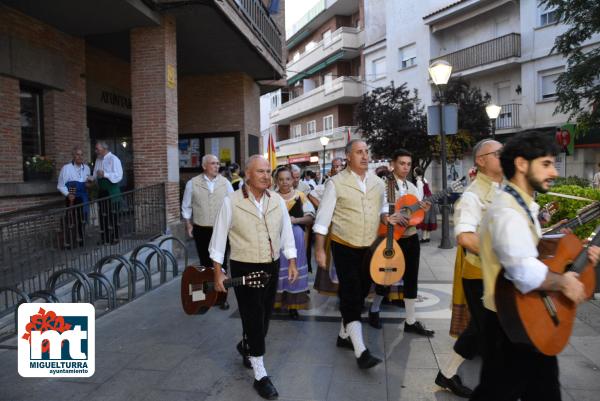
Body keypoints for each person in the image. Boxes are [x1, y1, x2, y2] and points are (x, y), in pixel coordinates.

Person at [470, 132, 600, 401]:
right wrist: (564, 282)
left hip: (526, 317)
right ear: (521, 164)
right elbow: (522, 269)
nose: (554, 172)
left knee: (540, 391)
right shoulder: (507, 210)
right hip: (512, 323)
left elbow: (534, 254)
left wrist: (581, 257)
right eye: (546, 164)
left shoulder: (524, 205)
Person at [209, 155, 298, 400]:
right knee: (253, 316)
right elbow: (218, 238)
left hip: (271, 265)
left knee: (265, 316)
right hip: (244, 267)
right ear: (247, 174)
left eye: (268, 171)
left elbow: (286, 232)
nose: (266, 176)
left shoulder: (277, 201)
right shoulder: (232, 201)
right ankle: (260, 374)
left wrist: (291, 260)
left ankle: (246, 346)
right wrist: (218, 270)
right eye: (260, 171)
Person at [435, 139, 503, 398]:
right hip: (478, 272)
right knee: (482, 327)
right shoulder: (472, 196)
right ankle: (448, 373)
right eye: (497, 154)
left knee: (490, 327)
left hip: (500, 272)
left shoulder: (506, 190)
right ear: (481, 161)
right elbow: (466, 237)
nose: (503, 156)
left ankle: (449, 373)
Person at [314, 139, 385, 369]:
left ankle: (344, 336)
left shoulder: (377, 182)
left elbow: (382, 209)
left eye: (366, 151)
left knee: (362, 291)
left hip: (369, 246)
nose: (365, 156)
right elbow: (323, 219)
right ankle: (361, 351)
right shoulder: (336, 182)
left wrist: (389, 218)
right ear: (348, 156)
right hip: (343, 245)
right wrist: (319, 249)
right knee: (352, 294)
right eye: (359, 152)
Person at [368, 149, 434, 337]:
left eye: (408, 164)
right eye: (402, 163)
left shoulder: (412, 187)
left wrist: (424, 209)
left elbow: (416, 215)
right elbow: (379, 211)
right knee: (386, 276)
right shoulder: (384, 185)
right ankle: (374, 309)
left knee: (412, 277)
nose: (405, 167)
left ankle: (411, 321)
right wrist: (388, 217)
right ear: (393, 164)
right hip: (391, 237)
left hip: (411, 237)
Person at [181, 154, 234, 309]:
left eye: (218, 163)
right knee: (205, 264)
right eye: (213, 163)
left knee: (222, 264)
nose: (217, 166)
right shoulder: (193, 183)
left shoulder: (225, 183)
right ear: (204, 166)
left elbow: (232, 204)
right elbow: (186, 206)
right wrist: (188, 225)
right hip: (201, 229)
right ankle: (206, 297)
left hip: (222, 229)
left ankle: (222, 298)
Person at [274, 167, 314, 319]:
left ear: (293, 180)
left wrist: (295, 220)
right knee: (278, 270)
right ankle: (277, 301)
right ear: (277, 181)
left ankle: (293, 305)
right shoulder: (272, 197)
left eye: (288, 179)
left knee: (293, 270)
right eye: (281, 179)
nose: (285, 182)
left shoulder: (300, 196)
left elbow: (310, 218)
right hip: (277, 241)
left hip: (296, 241)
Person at [310, 157, 344, 296]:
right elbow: (312, 194)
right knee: (333, 259)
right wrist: (323, 208)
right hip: (332, 227)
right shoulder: (329, 182)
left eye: (339, 166)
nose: (337, 168)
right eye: (335, 166)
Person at [57, 146, 91, 248]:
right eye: (77, 154)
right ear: (73, 156)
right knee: (71, 220)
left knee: (82, 219)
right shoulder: (66, 168)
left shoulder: (87, 168)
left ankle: (80, 241)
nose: (80, 157)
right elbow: (60, 185)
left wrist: (88, 185)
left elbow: (87, 183)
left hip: (83, 197)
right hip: (72, 198)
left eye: (81, 155)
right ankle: (70, 242)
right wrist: (68, 194)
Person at [90, 141, 123, 245]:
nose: (96, 151)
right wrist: (90, 179)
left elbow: (118, 176)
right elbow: (95, 174)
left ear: (104, 149)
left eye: (97, 149)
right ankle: (105, 238)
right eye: (95, 149)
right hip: (102, 191)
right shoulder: (98, 160)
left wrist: (105, 174)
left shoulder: (114, 159)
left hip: (112, 191)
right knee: (103, 215)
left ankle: (116, 237)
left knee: (113, 215)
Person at [413, 167, 437, 243]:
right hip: (430, 199)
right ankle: (427, 237)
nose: (413, 172)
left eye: (414, 171)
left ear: (416, 173)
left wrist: (419, 203)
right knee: (429, 218)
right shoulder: (425, 179)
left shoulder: (419, 181)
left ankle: (424, 238)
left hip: (425, 200)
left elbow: (420, 193)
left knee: (425, 218)